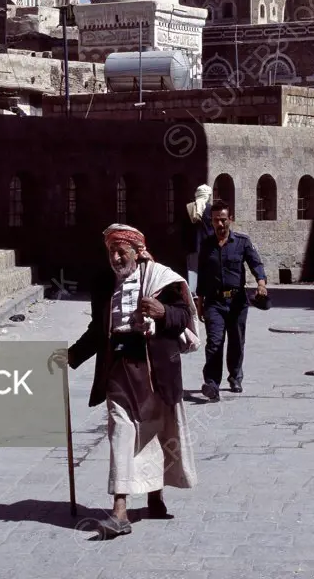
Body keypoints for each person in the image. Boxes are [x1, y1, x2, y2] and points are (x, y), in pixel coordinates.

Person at [53, 224, 198, 537]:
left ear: (137, 252)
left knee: (154, 433)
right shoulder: (104, 283)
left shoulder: (162, 279)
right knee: (120, 432)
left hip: (153, 368)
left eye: (122, 251)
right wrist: (72, 356)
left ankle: (155, 497)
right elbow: (97, 330)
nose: (116, 258)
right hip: (117, 369)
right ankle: (120, 510)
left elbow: (184, 316)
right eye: (112, 252)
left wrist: (162, 313)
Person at [196, 199, 267, 401]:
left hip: (237, 302)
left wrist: (261, 283)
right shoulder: (207, 245)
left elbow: (256, 264)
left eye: (224, 220)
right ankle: (211, 384)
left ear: (231, 220)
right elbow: (202, 275)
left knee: (236, 341)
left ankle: (235, 376)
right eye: (216, 220)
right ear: (211, 221)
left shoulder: (242, 242)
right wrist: (199, 304)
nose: (220, 224)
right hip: (214, 302)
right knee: (214, 343)